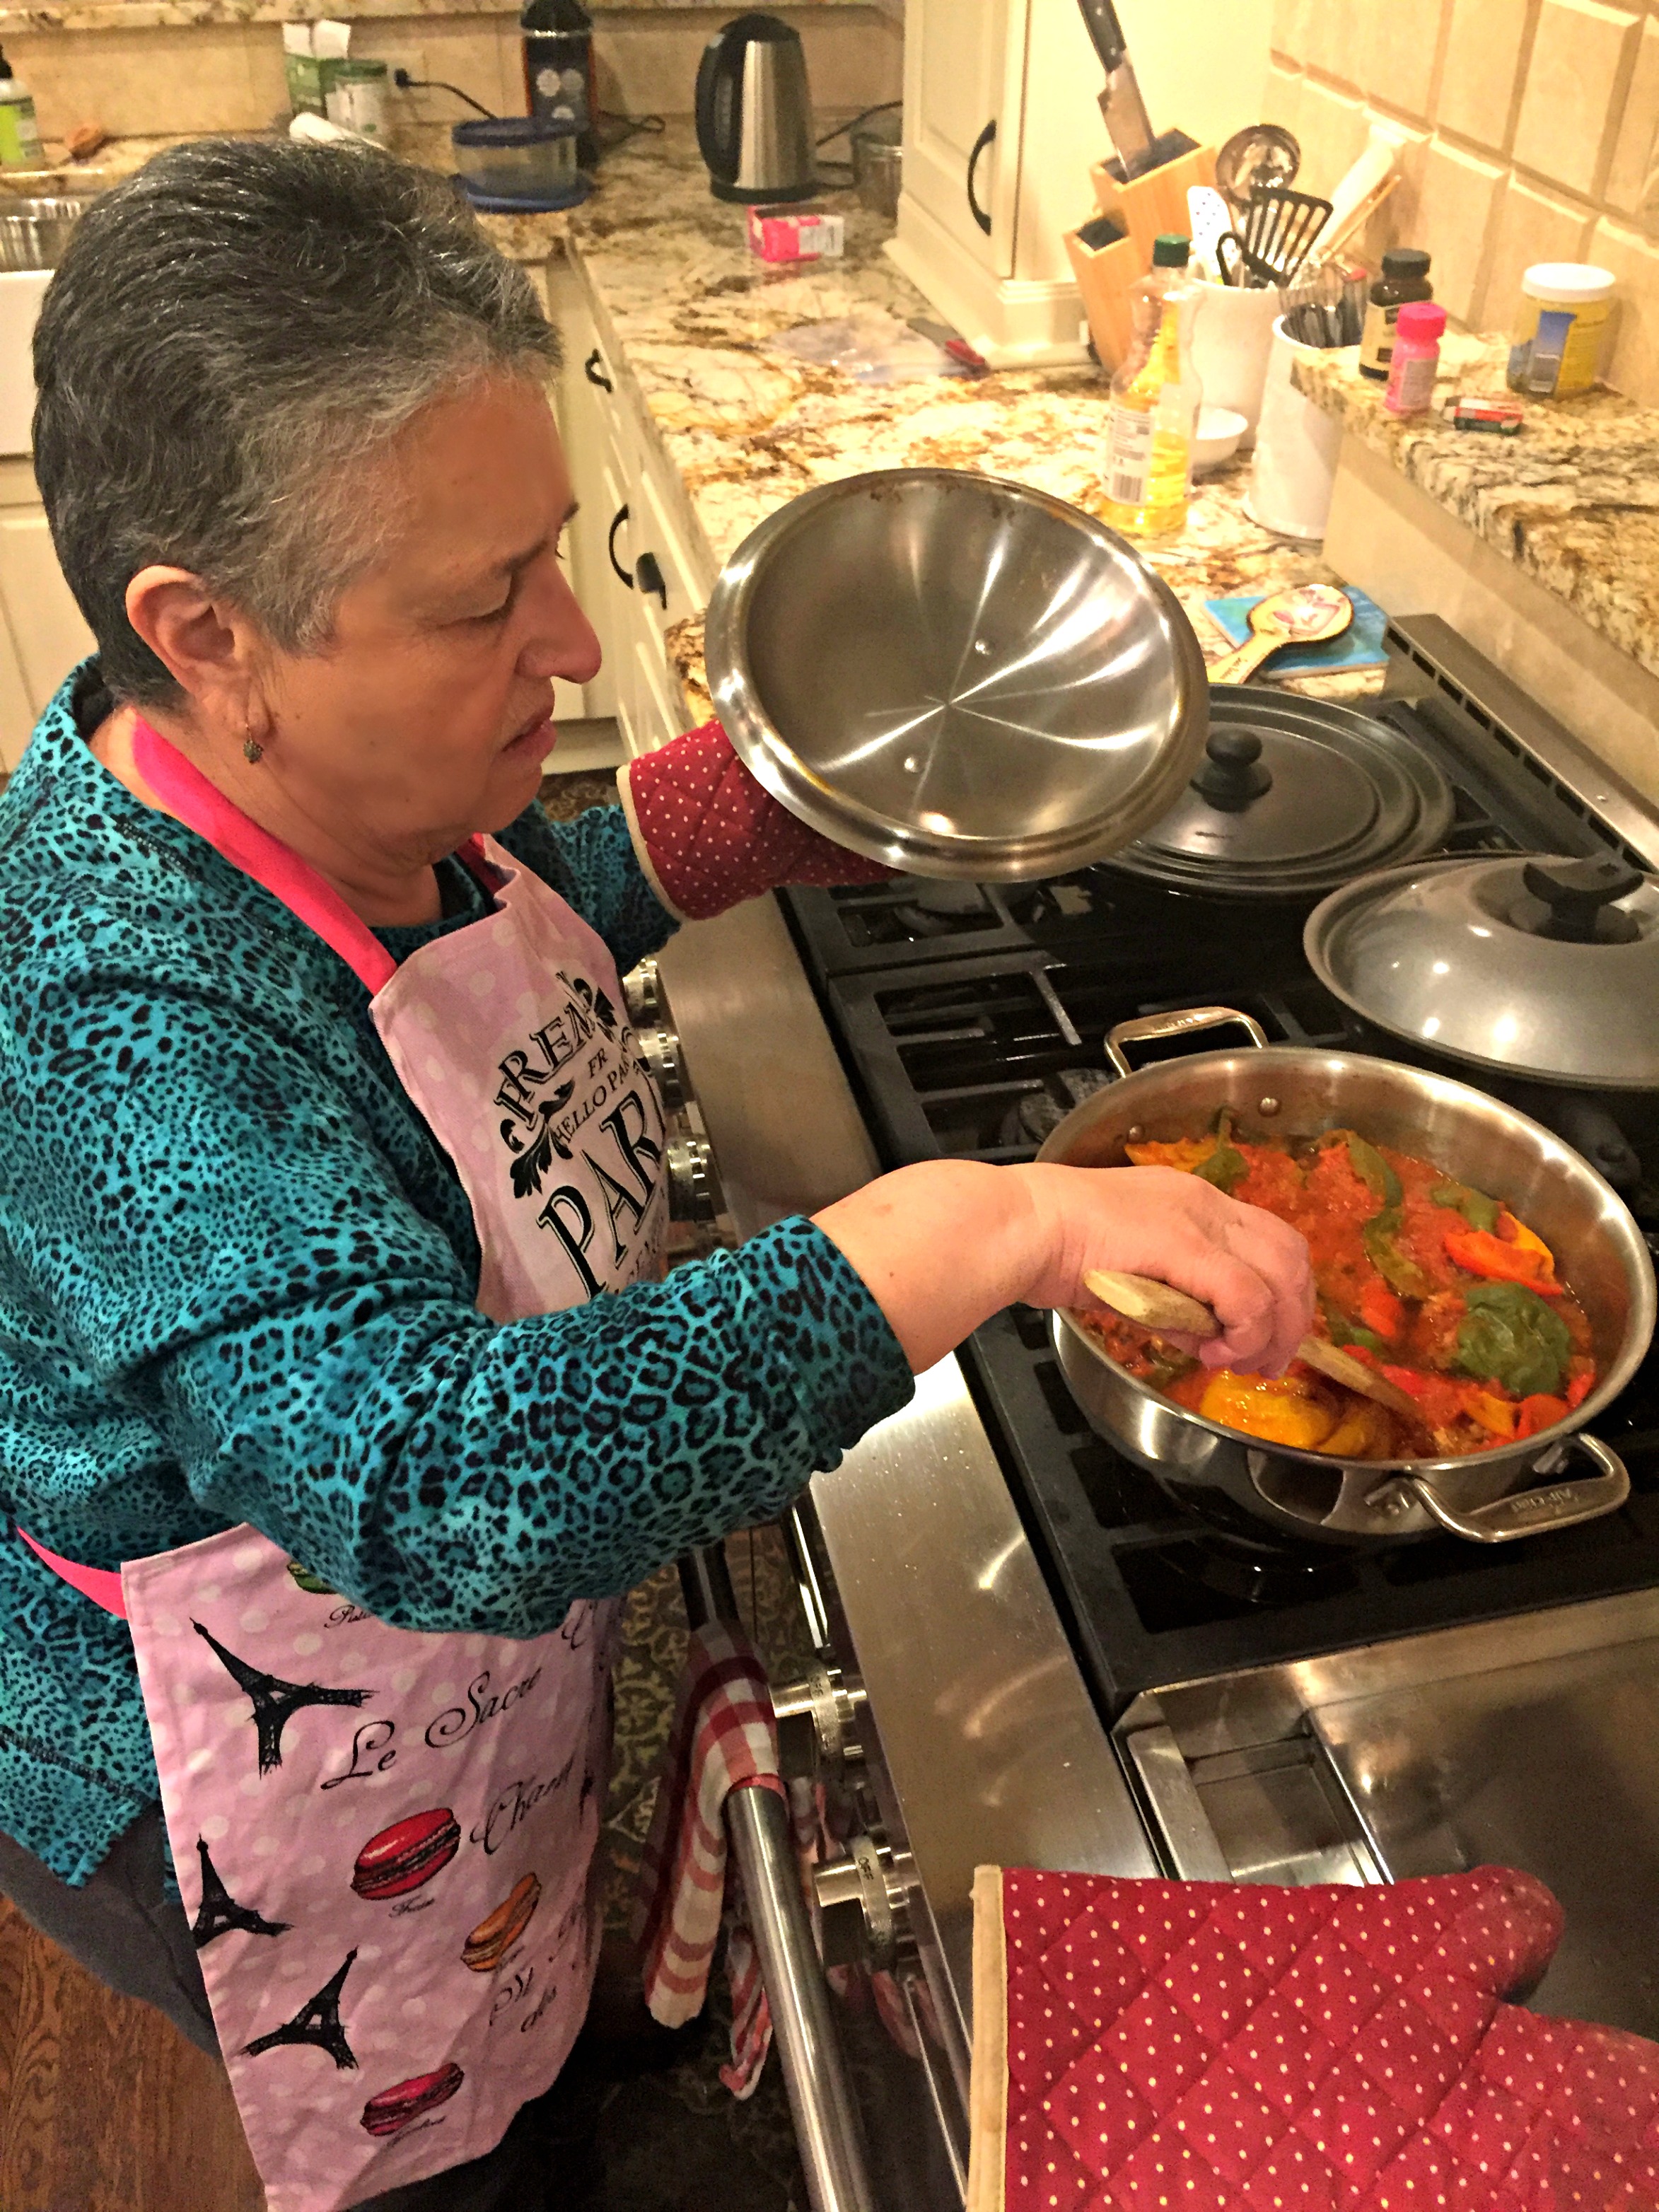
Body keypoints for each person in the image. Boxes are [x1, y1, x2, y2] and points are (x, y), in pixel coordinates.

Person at [0, 139, 1313, 2210]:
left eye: (557, 556)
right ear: (210, 632)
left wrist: (747, 816)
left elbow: (482, 973)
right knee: (445, 2154)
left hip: (458, 1716)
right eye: (479, 601)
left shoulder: (304, 789)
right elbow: (436, 1490)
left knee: (526, 1986)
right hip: (226, 1777)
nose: (574, 649)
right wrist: (978, 1223)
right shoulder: (109, 1021)